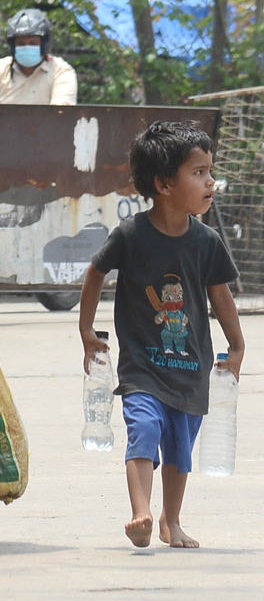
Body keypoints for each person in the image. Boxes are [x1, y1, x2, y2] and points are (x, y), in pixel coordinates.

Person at [79, 121, 245, 549]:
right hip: (142, 367)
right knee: (146, 429)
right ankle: (141, 512)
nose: (210, 181)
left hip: (190, 366)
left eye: (210, 171)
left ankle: (172, 520)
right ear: (164, 184)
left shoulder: (206, 241)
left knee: (180, 448)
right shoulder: (132, 235)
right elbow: (95, 273)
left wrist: (238, 345)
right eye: (199, 172)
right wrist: (86, 331)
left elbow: (220, 295)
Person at [0, 8, 77, 105]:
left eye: (33, 43)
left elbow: (61, 112)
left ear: (44, 44)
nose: (27, 47)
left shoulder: (61, 71)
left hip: (46, 129)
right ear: (13, 46)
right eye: (21, 44)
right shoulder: (0, 68)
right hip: (2, 128)